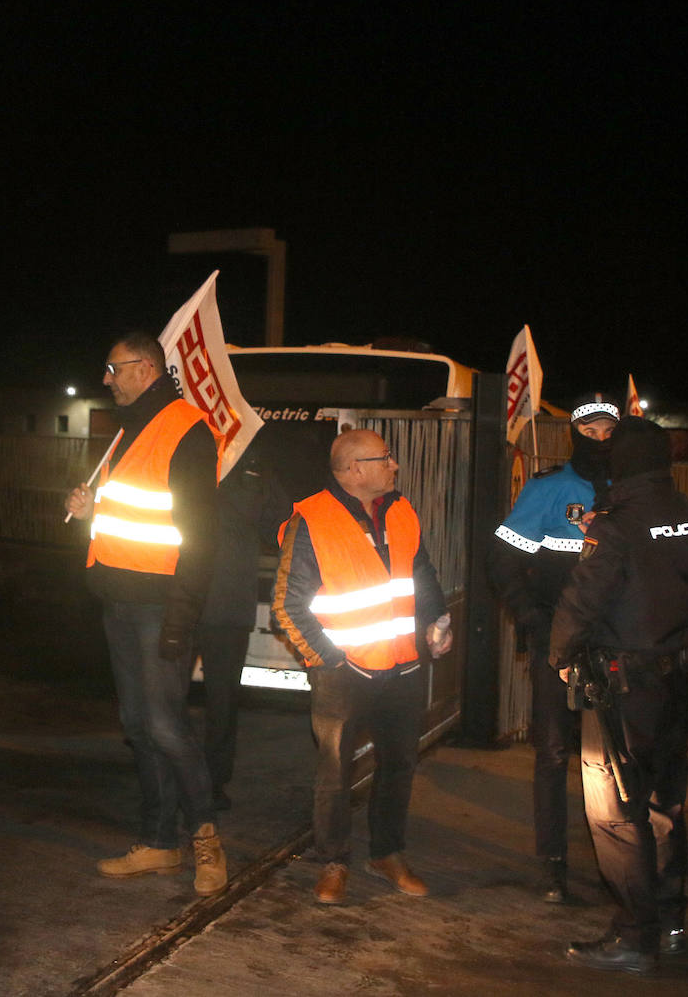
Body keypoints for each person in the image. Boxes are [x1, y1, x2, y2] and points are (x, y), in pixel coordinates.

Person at [549, 416, 688, 974]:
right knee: (665, 803)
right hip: (676, 675)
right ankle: (670, 921)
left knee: (617, 811)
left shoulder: (617, 525)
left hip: (624, 682)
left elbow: (584, 599)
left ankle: (633, 936)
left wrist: (560, 656)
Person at [64, 331, 226, 896]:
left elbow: (199, 537)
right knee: (138, 725)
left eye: (112, 368)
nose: (105, 379)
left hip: (160, 608)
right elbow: (135, 519)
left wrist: (182, 620)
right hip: (120, 601)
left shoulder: (185, 429)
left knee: (166, 725)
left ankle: (206, 839)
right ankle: (159, 843)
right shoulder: (129, 431)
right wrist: (91, 510)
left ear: (145, 368)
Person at [272, 429, 452, 906]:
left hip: (404, 665)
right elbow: (288, 605)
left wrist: (436, 618)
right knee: (334, 774)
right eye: (385, 458)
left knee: (400, 765)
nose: (394, 465)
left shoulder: (401, 509)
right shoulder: (310, 519)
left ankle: (387, 853)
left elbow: (421, 572)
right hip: (343, 673)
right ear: (353, 469)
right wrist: (331, 659)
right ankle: (333, 860)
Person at [489, 391, 620, 902]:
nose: (601, 441)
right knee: (552, 751)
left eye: (609, 433)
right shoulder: (550, 490)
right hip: (557, 645)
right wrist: (531, 618)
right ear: (574, 435)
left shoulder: (631, 491)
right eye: (590, 432)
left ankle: (620, 865)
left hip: (616, 643)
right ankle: (553, 865)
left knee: (614, 756)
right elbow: (502, 560)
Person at [193, 442, 289, 810]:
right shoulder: (189, 454)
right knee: (171, 700)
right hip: (180, 600)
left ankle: (210, 784)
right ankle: (185, 779)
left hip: (223, 602)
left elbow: (282, 523)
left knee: (219, 701)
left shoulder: (253, 467)